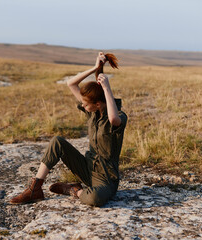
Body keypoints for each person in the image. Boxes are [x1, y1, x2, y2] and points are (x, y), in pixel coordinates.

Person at [9, 52, 127, 207]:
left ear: (98, 103)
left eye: (86, 104)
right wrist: (96, 68)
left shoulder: (119, 116)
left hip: (106, 180)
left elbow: (112, 119)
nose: (83, 106)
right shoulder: (92, 112)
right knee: (57, 142)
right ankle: (35, 189)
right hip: (87, 169)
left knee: (94, 199)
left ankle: (74, 190)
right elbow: (71, 84)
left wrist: (107, 88)